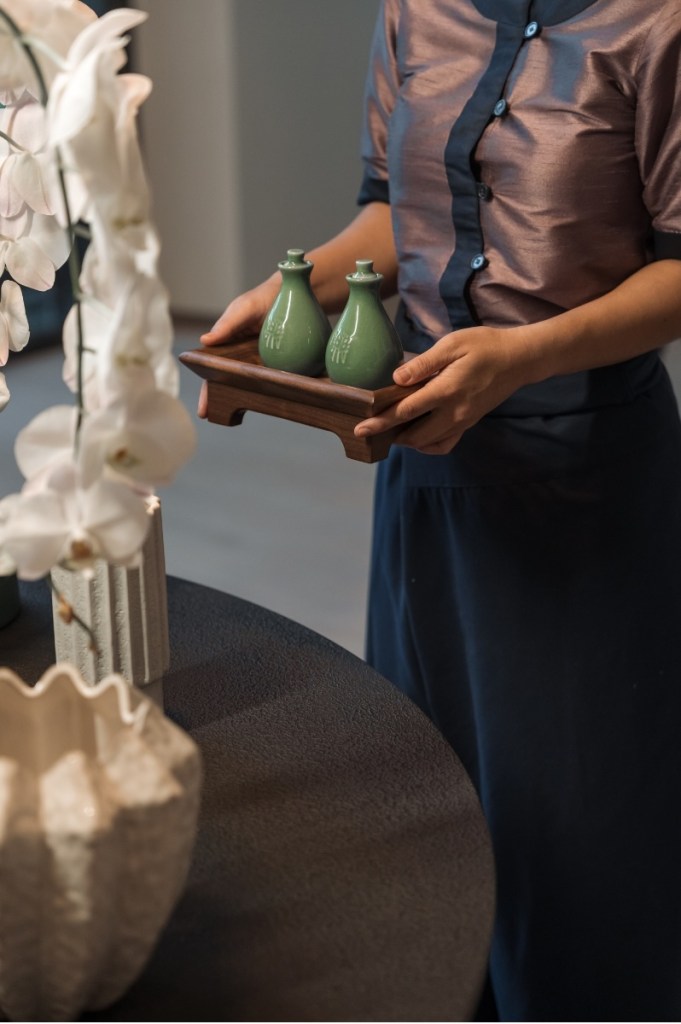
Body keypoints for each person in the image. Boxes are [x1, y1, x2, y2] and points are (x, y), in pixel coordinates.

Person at [198, 1, 681, 1018]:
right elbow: (388, 208)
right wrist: (289, 293)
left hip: (586, 478)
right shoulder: (419, 9)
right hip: (427, 464)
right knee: (432, 802)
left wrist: (524, 354)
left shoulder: (656, 24)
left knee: (582, 843)